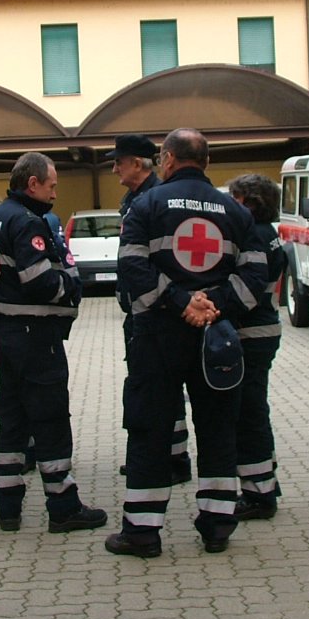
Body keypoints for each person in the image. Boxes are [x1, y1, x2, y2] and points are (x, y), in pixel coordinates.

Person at [107, 128, 267, 557]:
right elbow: (256, 276)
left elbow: (131, 268)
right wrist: (214, 304)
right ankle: (217, 526)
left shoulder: (146, 205)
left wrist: (181, 301)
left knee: (150, 430)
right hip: (215, 339)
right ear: (207, 163)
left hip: (158, 335)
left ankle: (142, 533)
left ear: (169, 160)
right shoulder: (235, 211)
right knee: (218, 429)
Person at [0, 152, 106, 534]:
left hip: (9, 336)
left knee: (12, 419)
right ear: (32, 183)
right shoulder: (26, 221)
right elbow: (40, 281)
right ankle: (64, 507)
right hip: (36, 337)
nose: (54, 192)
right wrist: (72, 283)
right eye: (51, 185)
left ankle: (8, 507)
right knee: (50, 420)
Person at [108, 133, 191, 485]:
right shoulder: (134, 199)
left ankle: (168, 459)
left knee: (156, 390)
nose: (114, 169)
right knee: (153, 389)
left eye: (119, 162)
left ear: (139, 164)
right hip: (140, 311)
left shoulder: (156, 200)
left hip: (157, 313)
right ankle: (168, 456)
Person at [226, 174, 287, 521]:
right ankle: (264, 482)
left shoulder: (255, 236)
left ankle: (259, 495)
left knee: (248, 414)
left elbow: (248, 289)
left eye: (235, 199)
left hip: (253, 333)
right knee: (254, 409)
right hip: (264, 331)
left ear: (250, 202)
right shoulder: (269, 234)